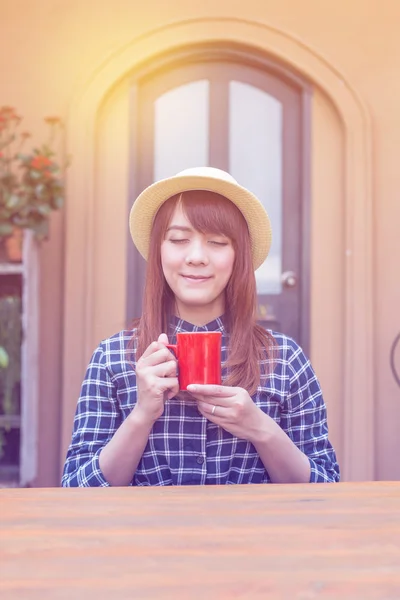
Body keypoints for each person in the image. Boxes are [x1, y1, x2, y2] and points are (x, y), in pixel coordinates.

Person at [62, 167, 340, 487]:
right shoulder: (112, 358)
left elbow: (325, 487)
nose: (196, 257)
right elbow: (77, 489)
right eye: (179, 239)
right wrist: (141, 415)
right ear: (159, 251)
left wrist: (260, 428)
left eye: (217, 242)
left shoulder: (284, 359)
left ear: (239, 256)